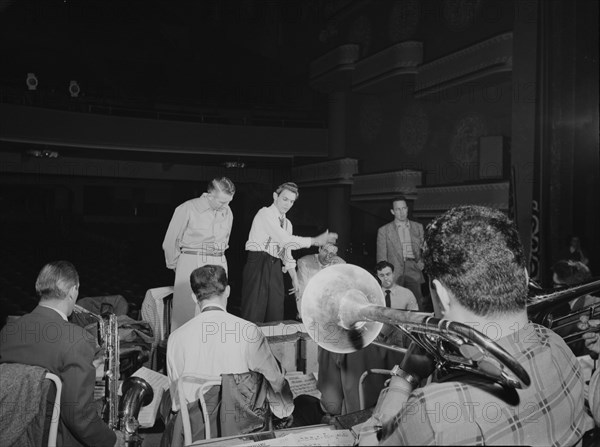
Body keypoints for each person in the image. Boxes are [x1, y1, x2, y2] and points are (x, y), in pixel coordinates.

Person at [371, 206, 593, 445]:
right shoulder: (558, 346)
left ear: (443, 296)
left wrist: (405, 376)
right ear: (526, 277)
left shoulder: (431, 411)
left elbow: (375, 438)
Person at [0, 261, 123, 447]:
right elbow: (78, 416)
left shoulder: (8, 331)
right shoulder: (77, 338)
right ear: (73, 291)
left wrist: (88, 372)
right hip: (54, 438)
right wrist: (112, 440)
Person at [166, 264, 293, 420]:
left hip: (194, 429)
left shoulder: (175, 338)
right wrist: (284, 411)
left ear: (194, 297)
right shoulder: (248, 330)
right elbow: (275, 379)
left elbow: (176, 398)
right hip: (240, 426)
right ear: (227, 291)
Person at [241, 182, 338, 323]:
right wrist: (315, 240)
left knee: (275, 312)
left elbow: (287, 253)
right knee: (254, 312)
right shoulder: (265, 213)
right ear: (275, 196)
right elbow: (284, 240)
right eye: (285, 199)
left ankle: (273, 345)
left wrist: (294, 278)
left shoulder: (288, 224)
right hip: (258, 263)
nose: (288, 204)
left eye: (291, 201)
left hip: (275, 266)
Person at [162, 177, 235, 331]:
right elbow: (170, 242)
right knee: (187, 312)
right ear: (209, 195)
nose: (226, 206)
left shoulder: (227, 211)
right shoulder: (187, 208)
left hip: (219, 262)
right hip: (191, 260)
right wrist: (177, 266)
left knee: (217, 310)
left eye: (229, 201)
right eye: (222, 202)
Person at [376, 197, 427, 311]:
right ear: (392, 212)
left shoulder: (418, 227)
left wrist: (422, 261)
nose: (402, 212)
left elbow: (425, 248)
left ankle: (415, 328)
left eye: (404, 208)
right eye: (398, 209)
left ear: (407, 209)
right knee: (394, 305)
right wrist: (384, 275)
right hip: (393, 270)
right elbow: (381, 256)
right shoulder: (384, 230)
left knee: (416, 303)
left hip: (413, 268)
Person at [295, 243, 345, 319]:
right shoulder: (305, 263)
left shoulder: (340, 264)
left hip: (331, 312)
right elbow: (300, 292)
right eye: (325, 251)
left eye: (332, 254)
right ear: (319, 249)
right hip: (310, 310)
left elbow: (343, 291)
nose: (328, 256)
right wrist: (304, 315)